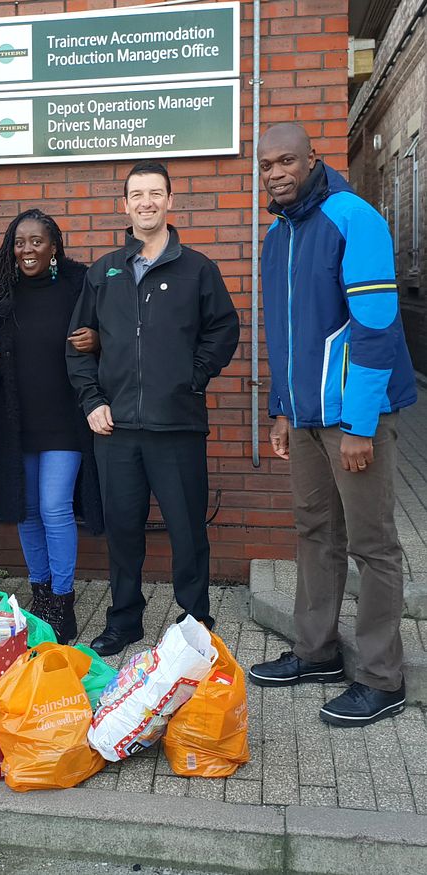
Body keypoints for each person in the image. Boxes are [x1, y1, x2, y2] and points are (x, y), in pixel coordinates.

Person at [248, 123, 417, 727]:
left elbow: (375, 329)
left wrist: (361, 425)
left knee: (373, 546)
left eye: (287, 160)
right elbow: (287, 336)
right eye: (266, 165)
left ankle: (381, 677)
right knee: (314, 532)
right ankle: (316, 652)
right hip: (304, 418)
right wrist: (280, 407)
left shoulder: (354, 217)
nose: (275, 172)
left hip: (354, 419)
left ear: (312, 158)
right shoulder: (276, 233)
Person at [66, 160, 239, 657]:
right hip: (116, 430)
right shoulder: (105, 272)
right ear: (125, 204)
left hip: (177, 426)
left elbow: (223, 329)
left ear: (170, 201)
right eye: (136, 194)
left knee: (187, 529)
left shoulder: (197, 268)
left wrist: (194, 374)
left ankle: (194, 622)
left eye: (155, 193)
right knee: (123, 531)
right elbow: (76, 348)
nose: (146, 202)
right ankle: (124, 620)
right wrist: (92, 400)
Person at [0, 209, 103, 644]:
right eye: (19, 242)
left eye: (36, 242)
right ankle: (41, 593)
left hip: (65, 417)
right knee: (27, 510)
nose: (27, 250)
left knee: (54, 507)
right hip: (14, 419)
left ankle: (62, 601)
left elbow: (109, 329)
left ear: (54, 246)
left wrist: (98, 339)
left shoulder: (77, 284)